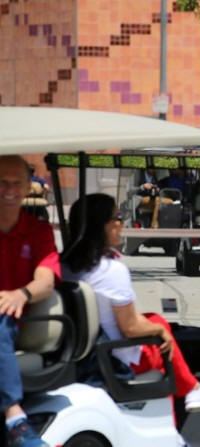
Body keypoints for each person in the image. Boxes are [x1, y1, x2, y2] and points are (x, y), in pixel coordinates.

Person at [63, 193, 200, 413]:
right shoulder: (111, 270)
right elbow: (130, 327)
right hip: (116, 357)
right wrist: (161, 331)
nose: (122, 223)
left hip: (82, 353)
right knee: (160, 329)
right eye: (117, 218)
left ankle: (192, 389)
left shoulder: (64, 266)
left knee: (154, 320)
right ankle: (191, 391)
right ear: (100, 225)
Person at [1, 155, 60, 447]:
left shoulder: (38, 232)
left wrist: (20, 294)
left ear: (27, 188)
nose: (10, 190)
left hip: (13, 318)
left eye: (17, 183)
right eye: (2, 183)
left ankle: (14, 417)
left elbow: (46, 281)